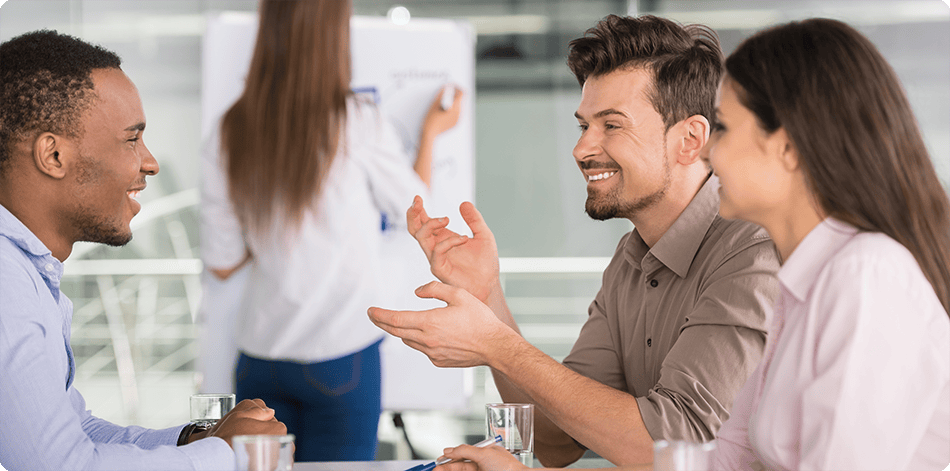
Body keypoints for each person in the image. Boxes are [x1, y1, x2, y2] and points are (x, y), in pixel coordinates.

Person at [432, 17, 950, 471]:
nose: (581, 147)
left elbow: (675, 441)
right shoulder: (804, 280)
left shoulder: (859, 274)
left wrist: (495, 343)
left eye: (723, 127)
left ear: (787, 147)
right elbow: (714, 461)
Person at [368, 14, 779, 467]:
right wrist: (486, 296)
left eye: (612, 125)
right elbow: (556, 440)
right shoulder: (630, 259)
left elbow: (670, 449)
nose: (581, 149)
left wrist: (496, 345)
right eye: (585, 126)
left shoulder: (752, 252)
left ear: (690, 140)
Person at [0, 30, 286, 471]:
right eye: (132, 139)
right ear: (52, 156)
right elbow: (61, 466)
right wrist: (224, 453)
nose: (150, 162)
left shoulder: (25, 272)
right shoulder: (6, 284)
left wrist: (200, 438)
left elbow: (76, 433)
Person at [199, 0, 462, 462]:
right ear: (332, 37)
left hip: (261, 360)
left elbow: (223, 263)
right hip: (344, 358)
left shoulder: (229, 129)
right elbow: (415, 210)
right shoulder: (356, 120)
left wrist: (274, 237)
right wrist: (432, 133)